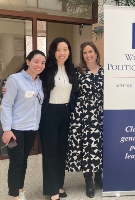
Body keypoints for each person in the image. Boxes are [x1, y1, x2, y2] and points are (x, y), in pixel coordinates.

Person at [1, 50, 46, 200]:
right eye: (36, 61)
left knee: (24, 160)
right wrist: (7, 129)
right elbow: (6, 105)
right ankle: (14, 196)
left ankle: (20, 190)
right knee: (16, 163)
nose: (39, 65)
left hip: (32, 128)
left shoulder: (39, 82)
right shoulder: (15, 79)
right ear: (28, 61)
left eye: (42, 62)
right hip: (16, 129)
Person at [39, 37, 78, 200]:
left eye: (65, 49)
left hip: (66, 113)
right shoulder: (46, 70)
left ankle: (59, 185)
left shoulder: (72, 70)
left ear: (69, 51)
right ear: (53, 52)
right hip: (49, 114)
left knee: (62, 150)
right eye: (58, 49)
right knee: (50, 152)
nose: (62, 53)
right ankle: (51, 189)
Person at [66, 41, 103, 198]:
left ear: (96, 53)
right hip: (83, 115)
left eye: (90, 51)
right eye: (84, 53)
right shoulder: (77, 72)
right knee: (87, 147)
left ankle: (99, 177)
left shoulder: (105, 71)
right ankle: (88, 180)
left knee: (101, 145)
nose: (88, 55)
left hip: (101, 114)